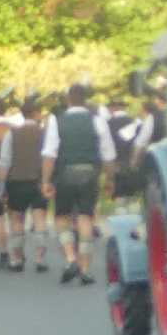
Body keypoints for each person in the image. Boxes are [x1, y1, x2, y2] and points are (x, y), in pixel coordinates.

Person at [40, 81, 116, 285]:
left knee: (62, 217)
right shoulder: (97, 121)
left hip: (65, 173)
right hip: (90, 173)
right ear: (85, 100)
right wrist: (109, 179)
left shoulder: (57, 121)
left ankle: (71, 258)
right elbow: (108, 153)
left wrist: (46, 180)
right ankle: (85, 269)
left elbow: (49, 153)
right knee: (86, 218)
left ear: (68, 100)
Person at [0, 96, 48, 272]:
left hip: (16, 182)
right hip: (38, 180)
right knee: (40, 218)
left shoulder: (12, 134)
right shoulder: (44, 134)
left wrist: (1, 187)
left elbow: (5, 162)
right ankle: (39, 258)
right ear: (36, 114)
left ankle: (16, 258)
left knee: (16, 219)